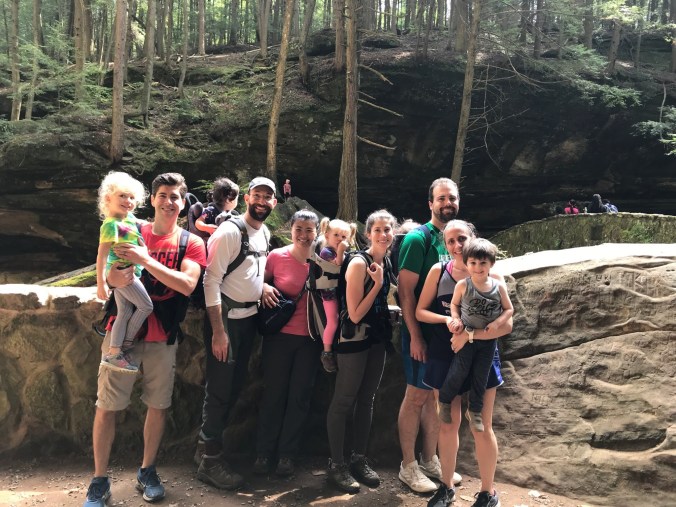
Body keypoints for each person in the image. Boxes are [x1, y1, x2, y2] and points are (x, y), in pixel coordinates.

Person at [83, 173, 207, 507]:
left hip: (162, 335)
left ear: (184, 203)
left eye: (175, 197)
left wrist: (145, 260)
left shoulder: (191, 243)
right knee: (107, 406)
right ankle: (99, 480)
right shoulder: (131, 227)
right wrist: (108, 278)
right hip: (121, 333)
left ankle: (147, 470)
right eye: (162, 195)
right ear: (151, 200)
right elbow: (109, 263)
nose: (168, 202)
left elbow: (187, 285)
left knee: (158, 405)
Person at [415, 220, 512, 507]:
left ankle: (487, 492)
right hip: (445, 354)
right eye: (451, 241)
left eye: (462, 239)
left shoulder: (492, 275)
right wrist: (447, 319)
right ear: (445, 245)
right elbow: (420, 311)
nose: (457, 246)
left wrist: (469, 336)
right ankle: (446, 487)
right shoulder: (439, 272)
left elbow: (507, 325)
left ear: (472, 239)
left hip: (482, 354)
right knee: (448, 423)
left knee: (481, 425)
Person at [197, 177, 277, 489]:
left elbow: (252, 269)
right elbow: (211, 280)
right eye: (257, 195)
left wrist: (263, 286)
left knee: (233, 387)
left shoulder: (264, 233)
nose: (262, 201)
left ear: (274, 202)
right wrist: (218, 332)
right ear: (246, 198)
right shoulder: (230, 232)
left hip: (248, 319)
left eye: (268, 197)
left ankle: (205, 449)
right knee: (219, 390)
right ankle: (210, 462)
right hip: (226, 321)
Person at [325, 210, 397, 493]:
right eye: (377, 230)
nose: (383, 234)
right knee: (344, 400)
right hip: (353, 340)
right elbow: (354, 314)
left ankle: (358, 458)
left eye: (388, 229)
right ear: (368, 234)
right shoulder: (358, 263)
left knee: (367, 400)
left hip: (377, 339)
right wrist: (377, 284)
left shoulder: (386, 261)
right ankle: (337, 464)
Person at [397, 177, 461, 493]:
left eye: (452, 198)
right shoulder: (417, 239)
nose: (447, 203)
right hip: (420, 331)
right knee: (415, 396)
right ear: (431, 203)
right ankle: (408, 465)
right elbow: (405, 292)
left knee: (437, 395)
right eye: (441, 198)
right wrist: (415, 336)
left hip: (444, 335)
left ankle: (430, 458)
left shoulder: (455, 238)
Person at [254, 210, 322, 477]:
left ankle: (287, 455)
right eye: (299, 229)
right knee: (274, 394)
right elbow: (257, 281)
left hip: (310, 340)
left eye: (309, 230)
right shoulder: (277, 256)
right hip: (279, 338)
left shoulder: (323, 260)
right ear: (290, 230)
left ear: (317, 232)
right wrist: (263, 287)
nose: (304, 235)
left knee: (299, 397)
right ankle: (263, 452)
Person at [439, 238, 513, 432]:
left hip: (488, 342)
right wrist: (455, 319)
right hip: (466, 338)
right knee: (459, 371)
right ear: (466, 263)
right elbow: (454, 304)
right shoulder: (463, 285)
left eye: (483, 263)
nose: (478, 267)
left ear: (491, 264)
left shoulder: (498, 286)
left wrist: (497, 323)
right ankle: (444, 400)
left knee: (481, 376)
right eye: (473, 262)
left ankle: (475, 411)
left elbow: (509, 309)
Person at [95, 171, 153, 373]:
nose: (128, 201)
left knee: (125, 312)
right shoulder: (111, 224)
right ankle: (126, 344)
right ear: (108, 198)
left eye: (132, 197)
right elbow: (102, 255)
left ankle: (114, 352)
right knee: (146, 306)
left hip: (130, 271)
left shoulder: (127, 219)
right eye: (122, 196)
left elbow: (140, 227)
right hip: (123, 273)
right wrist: (102, 283)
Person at [317, 217, 358, 373]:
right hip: (329, 294)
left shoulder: (342, 251)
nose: (340, 239)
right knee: (332, 322)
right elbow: (338, 265)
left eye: (343, 236)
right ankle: (326, 352)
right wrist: (341, 251)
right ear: (327, 235)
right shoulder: (326, 252)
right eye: (336, 235)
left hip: (339, 292)